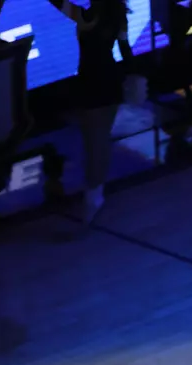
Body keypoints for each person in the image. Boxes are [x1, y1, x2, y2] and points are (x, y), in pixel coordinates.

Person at [45, 0, 140, 223]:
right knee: (102, 141)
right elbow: (126, 53)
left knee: (93, 144)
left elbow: (58, 3)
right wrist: (133, 77)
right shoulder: (118, 16)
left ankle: (93, 197)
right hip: (111, 83)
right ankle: (96, 193)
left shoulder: (86, 17)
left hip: (91, 83)